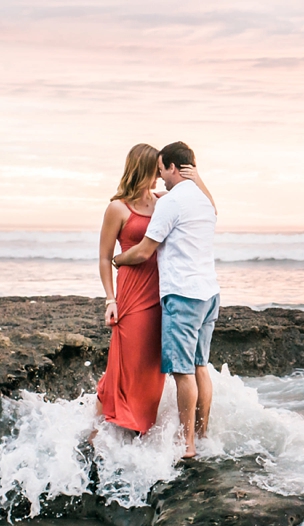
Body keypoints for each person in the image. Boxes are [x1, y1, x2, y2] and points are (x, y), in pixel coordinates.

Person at [112, 141, 220, 458]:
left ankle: (186, 445)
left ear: (173, 167)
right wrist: (198, 179)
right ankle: (202, 435)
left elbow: (145, 250)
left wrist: (118, 260)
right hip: (209, 294)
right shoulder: (203, 200)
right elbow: (214, 209)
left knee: (183, 373)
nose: (159, 176)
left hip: (183, 296)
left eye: (161, 169)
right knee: (201, 367)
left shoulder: (170, 204)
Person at [95, 143, 165, 435]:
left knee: (152, 367)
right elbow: (103, 257)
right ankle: (109, 425)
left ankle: (141, 429)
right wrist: (110, 299)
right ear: (143, 169)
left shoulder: (164, 202)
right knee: (128, 361)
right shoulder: (117, 208)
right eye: (156, 170)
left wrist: (195, 176)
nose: (160, 176)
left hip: (161, 293)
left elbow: (206, 207)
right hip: (132, 294)